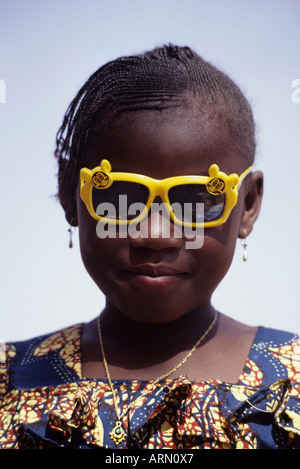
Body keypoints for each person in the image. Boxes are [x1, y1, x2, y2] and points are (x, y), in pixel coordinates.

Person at [0, 44, 299, 450]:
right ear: (72, 198)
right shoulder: (11, 380)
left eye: (195, 201)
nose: (156, 234)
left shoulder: (291, 381)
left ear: (247, 205)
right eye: (120, 199)